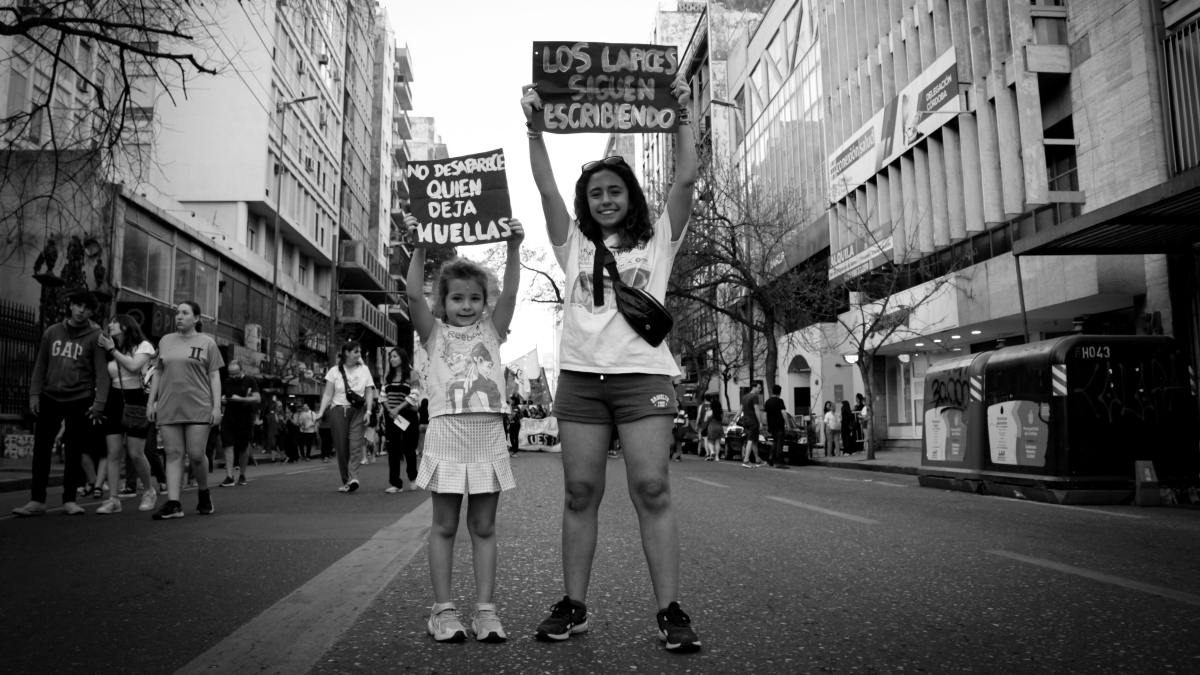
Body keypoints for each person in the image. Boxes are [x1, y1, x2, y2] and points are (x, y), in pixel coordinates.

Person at [521, 75, 702, 652]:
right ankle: (574, 606)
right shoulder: (572, 243)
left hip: (643, 378)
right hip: (580, 380)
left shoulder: (661, 239)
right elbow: (546, 188)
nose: (605, 199)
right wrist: (534, 131)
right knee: (580, 492)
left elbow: (687, 177)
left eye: (614, 191)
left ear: (631, 197)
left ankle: (670, 610)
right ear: (586, 202)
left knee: (651, 488)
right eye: (595, 192)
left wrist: (682, 118)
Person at [404, 212, 523, 644]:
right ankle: (443, 610)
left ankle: (486, 612)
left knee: (485, 527)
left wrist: (513, 247)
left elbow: (510, 290)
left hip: (487, 435)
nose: (466, 305)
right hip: (446, 436)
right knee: (445, 526)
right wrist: (419, 246)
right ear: (444, 302)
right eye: (457, 298)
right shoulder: (432, 334)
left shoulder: (493, 330)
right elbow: (413, 295)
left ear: (484, 303)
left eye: (474, 298)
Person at [13, 290, 110, 517]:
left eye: (86, 308)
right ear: (70, 306)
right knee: (41, 448)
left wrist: (99, 404)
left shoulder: (97, 337)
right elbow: (40, 366)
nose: (81, 311)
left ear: (92, 311)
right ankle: (37, 501)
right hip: (50, 397)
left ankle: (69, 500)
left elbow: (102, 374)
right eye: (77, 305)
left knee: (74, 450)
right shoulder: (52, 332)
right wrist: (34, 396)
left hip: (80, 398)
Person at [147, 301, 223, 519]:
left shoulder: (208, 343)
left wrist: (216, 406)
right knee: (172, 454)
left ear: (196, 318)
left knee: (197, 455)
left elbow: (214, 376)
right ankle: (173, 503)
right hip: (169, 405)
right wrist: (151, 402)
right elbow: (158, 373)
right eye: (177, 313)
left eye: (184, 313)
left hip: (199, 405)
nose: (179, 317)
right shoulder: (165, 341)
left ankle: (203, 492)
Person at [94, 314, 159, 513]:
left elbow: (133, 366)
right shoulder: (108, 349)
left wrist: (112, 350)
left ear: (126, 325)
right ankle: (113, 499)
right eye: (109, 322)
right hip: (114, 400)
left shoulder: (144, 346)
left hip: (136, 399)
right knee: (113, 452)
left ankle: (149, 491)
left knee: (135, 452)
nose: (110, 325)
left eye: (114, 321)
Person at [315, 341, 376, 493]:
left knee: (355, 445)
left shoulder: (364, 370)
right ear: (347, 353)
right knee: (342, 448)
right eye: (356, 351)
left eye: (359, 352)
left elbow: (369, 392)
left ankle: (354, 477)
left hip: (358, 411)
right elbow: (328, 394)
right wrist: (321, 412)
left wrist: (368, 411)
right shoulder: (334, 371)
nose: (359, 355)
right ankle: (347, 481)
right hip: (337, 411)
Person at [382, 348, 420, 493]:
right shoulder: (387, 376)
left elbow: (414, 394)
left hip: (407, 414)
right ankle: (396, 483)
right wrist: (390, 410)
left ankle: (412, 477)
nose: (391, 359)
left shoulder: (412, 375)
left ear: (402, 358)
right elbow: (382, 395)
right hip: (392, 415)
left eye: (394, 356)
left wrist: (397, 408)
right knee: (393, 448)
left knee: (409, 448)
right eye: (390, 357)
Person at [219, 360, 260, 486]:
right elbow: (221, 396)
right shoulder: (226, 381)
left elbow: (257, 398)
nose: (233, 377)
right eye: (231, 374)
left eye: (236, 374)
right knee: (228, 445)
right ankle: (229, 476)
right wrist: (223, 400)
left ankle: (242, 475)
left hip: (244, 418)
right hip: (228, 418)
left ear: (241, 370)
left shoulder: (250, 380)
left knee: (243, 446)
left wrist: (241, 399)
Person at [764, 385, 789, 470]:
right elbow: (783, 412)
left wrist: (767, 426)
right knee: (780, 443)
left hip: (771, 426)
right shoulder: (779, 401)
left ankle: (771, 457)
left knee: (775, 441)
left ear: (772, 391)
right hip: (779, 425)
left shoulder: (767, 402)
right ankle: (779, 462)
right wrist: (788, 423)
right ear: (779, 392)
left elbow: (765, 415)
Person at [740, 384, 763, 468]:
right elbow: (757, 409)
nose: (760, 389)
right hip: (753, 420)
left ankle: (757, 459)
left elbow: (740, 409)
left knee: (753, 440)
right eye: (759, 388)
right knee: (750, 440)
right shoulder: (754, 397)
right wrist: (760, 422)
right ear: (753, 387)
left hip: (746, 420)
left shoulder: (744, 397)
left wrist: (734, 419)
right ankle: (746, 460)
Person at [704, 395, 723, 461]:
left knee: (710, 441)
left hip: (711, 427)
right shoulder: (720, 413)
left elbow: (705, 420)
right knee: (717, 442)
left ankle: (712, 451)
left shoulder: (709, 412)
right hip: (719, 427)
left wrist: (708, 411)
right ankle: (717, 457)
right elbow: (722, 420)